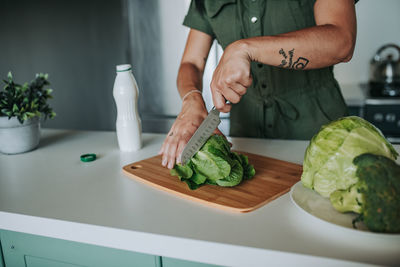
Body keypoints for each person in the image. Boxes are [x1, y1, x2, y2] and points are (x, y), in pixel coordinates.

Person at [159, 0, 357, 169]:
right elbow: (191, 63)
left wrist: (245, 48)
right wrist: (191, 98)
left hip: (320, 132)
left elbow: (342, 41)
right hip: (246, 138)